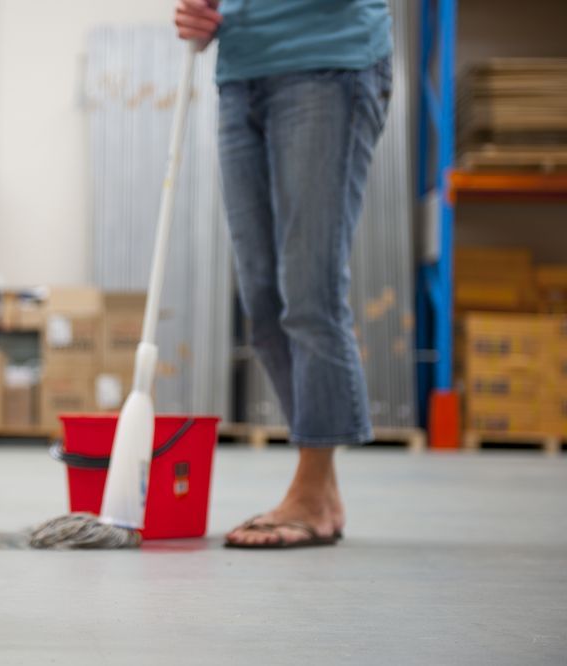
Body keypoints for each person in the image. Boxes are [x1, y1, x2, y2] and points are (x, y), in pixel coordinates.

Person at [174, 0, 393, 548]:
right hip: (241, 71)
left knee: (309, 292)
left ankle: (311, 487)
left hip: (327, 65)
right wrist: (202, 14)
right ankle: (321, 491)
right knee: (264, 301)